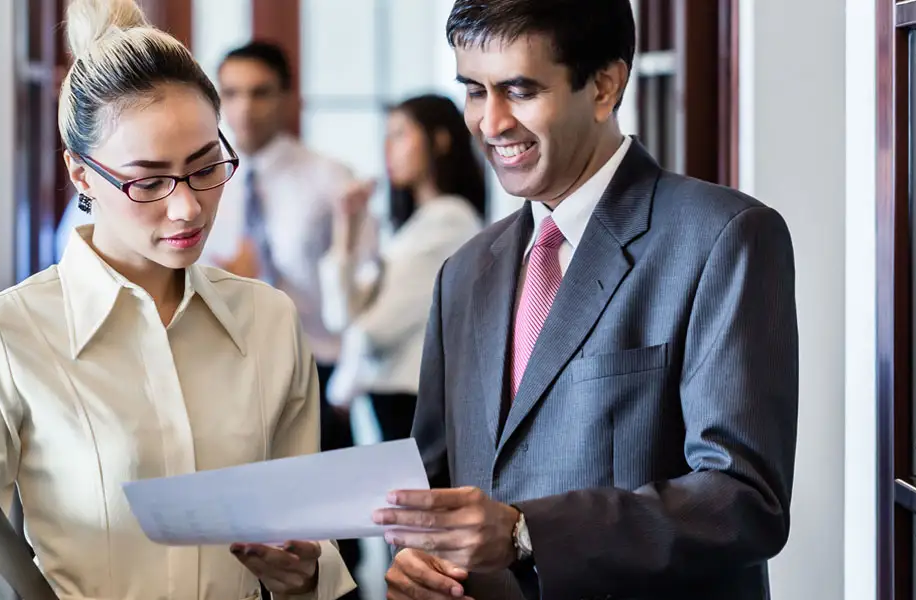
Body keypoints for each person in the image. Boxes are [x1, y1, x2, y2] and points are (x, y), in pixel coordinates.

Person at [0, 1, 355, 598]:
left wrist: (305, 572)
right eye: (148, 181)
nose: (188, 208)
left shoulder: (269, 321)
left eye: (205, 168)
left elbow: (309, 543)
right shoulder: (6, 334)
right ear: (81, 175)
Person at [375, 1, 799, 598]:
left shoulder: (724, 237)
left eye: (518, 91)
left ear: (604, 86)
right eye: (474, 91)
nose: (490, 123)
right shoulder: (464, 272)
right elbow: (432, 483)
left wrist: (529, 533)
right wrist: (417, 558)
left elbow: (743, 500)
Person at [205, 41, 376, 596]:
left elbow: (367, 286)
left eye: (259, 93)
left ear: (285, 97)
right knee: (247, 538)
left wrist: (349, 381)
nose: (244, 108)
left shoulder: (329, 179)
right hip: (227, 374)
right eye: (230, 93)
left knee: (330, 547)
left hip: (316, 375)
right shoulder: (202, 181)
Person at [319, 94, 485, 442]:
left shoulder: (449, 221)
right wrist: (345, 230)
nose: (388, 149)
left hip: (409, 401)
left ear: (439, 140)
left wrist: (341, 388)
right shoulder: (412, 227)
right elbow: (340, 315)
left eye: (400, 134)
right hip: (389, 400)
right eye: (386, 136)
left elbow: (372, 331)